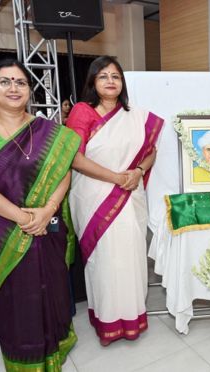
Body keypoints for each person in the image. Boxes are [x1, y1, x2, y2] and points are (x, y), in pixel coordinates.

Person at [0, 59, 80, 371]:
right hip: (4, 231)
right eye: (4, 81)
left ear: (29, 90)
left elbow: (64, 170)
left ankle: (54, 352)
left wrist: (48, 210)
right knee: (19, 302)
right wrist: (25, 218)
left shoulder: (49, 131)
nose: (14, 88)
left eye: (21, 82)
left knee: (50, 290)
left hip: (47, 224)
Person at [67, 55, 164, 346]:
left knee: (131, 257)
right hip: (94, 196)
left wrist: (137, 171)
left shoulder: (136, 116)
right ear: (93, 82)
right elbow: (75, 157)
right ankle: (108, 321)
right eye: (103, 76)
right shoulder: (83, 112)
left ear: (122, 83)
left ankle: (133, 318)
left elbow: (152, 152)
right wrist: (115, 177)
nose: (110, 81)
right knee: (106, 261)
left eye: (115, 76)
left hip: (130, 195)